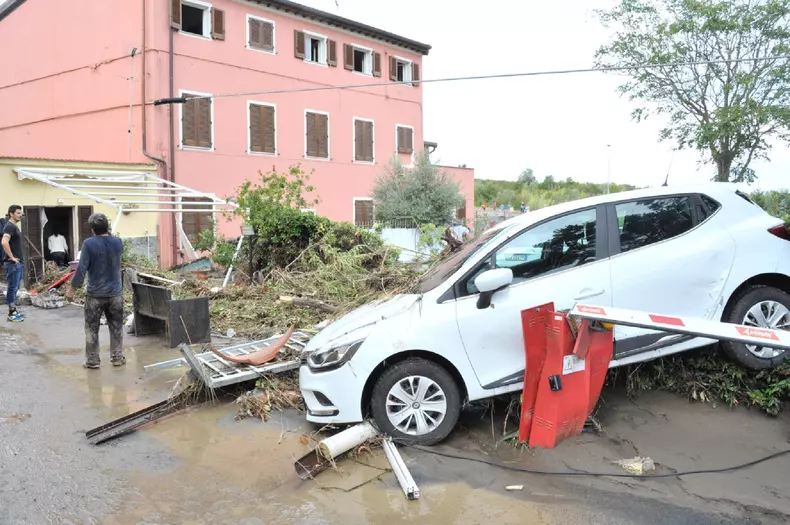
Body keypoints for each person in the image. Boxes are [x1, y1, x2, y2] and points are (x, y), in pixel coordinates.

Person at [65, 213, 125, 369]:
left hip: (95, 295)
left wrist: (72, 289)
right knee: (116, 326)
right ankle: (117, 357)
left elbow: (81, 268)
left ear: (92, 229)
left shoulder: (89, 244)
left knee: (92, 328)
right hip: (115, 294)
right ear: (107, 226)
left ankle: (93, 360)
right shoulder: (118, 242)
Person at [2, 205, 25, 322]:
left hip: (17, 263)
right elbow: (4, 242)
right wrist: (12, 258)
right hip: (13, 264)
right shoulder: (10, 226)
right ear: (11, 214)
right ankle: (11, 313)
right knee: (12, 287)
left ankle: (14, 310)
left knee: (15, 287)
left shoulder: (13, 226)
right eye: (18, 213)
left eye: (21, 213)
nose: (21, 215)